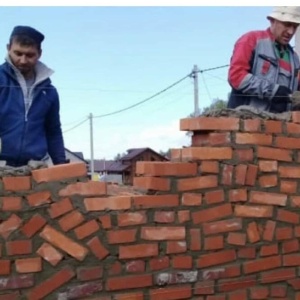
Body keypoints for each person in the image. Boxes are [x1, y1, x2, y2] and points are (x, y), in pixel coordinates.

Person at [0, 25, 67, 167]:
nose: (23, 60)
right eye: (18, 53)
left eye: (30, 55)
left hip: (35, 168)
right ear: (8, 48)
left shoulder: (49, 91)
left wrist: (61, 165)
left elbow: (53, 131)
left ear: (39, 53)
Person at [227, 7, 300, 113]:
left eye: (295, 26)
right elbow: (236, 77)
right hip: (246, 121)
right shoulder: (251, 40)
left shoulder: (295, 59)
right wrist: (273, 90)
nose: (291, 31)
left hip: (282, 125)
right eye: (287, 24)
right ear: (272, 20)